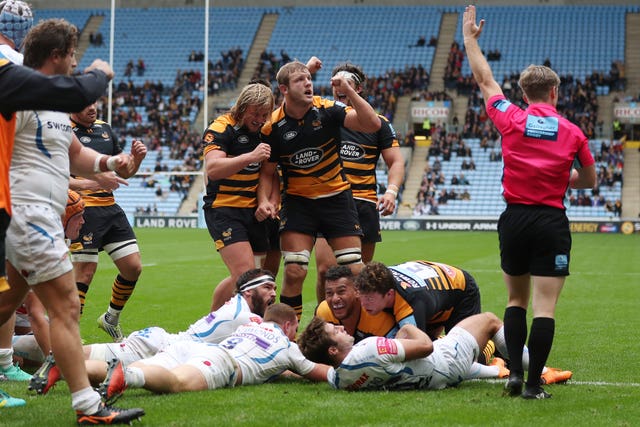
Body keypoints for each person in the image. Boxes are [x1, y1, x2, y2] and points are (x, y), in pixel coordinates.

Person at [0, 18, 145, 422]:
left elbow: (75, 153)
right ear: (57, 55)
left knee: (6, 304)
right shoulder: (21, 93)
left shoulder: (56, 107)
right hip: (27, 213)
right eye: (72, 54)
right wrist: (98, 73)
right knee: (66, 305)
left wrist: (110, 162)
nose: (75, 61)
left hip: (38, 215)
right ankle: (88, 406)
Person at [463, 5, 596, 399]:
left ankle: (515, 378)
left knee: (515, 301)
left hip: (515, 219)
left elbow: (485, 80)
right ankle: (534, 384)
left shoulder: (510, 117)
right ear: (555, 92)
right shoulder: (573, 132)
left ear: (523, 93)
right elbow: (589, 180)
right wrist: (562, 178)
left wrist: (470, 39)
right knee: (545, 308)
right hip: (551, 221)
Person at [256, 59, 381, 320]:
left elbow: (372, 124)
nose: (308, 84)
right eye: (300, 80)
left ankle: (357, 332)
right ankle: (287, 338)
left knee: (354, 271)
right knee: (294, 270)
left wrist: (351, 92)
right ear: (284, 89)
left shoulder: (328, 109)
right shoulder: (273, 126)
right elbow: (268, 172)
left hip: (337, 199)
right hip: (299, 203)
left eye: (309, 79)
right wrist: (264, 200)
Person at [30, 268, 277, 394]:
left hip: (158, 338)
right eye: (267, 287)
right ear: (248, 291)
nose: (274, 294)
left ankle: (56, 364)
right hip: (168, 347)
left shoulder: (234, 306)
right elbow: (269, 345)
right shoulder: (247, 317)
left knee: (95, 355)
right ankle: (57, 366)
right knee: (126, 373)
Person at [355, 261, 571, 385]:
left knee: (460, 354)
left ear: (389, 294)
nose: (364, 304)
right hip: (438, 290)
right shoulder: (381, 280)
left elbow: (418, 353)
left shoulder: (411, 303)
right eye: (361, 296)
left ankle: (497, 352)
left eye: (370, 298)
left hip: (461, 292)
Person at [97, 304, 329, 402]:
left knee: (138, 367)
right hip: (220, 362)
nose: (294, 335)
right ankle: (127, 378)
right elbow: (320, 373)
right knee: (177, 383)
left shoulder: (247, 326)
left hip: (194, 348)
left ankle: (65, 368)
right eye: (295, 329)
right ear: (288, 325)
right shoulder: (287, 347)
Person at [313, 62, 405, 303]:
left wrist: (392, 192)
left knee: (357, 276)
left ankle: (356, 327)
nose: (339, 87)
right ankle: (325, 324)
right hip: (330, 201)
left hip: (363, 203)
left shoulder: (379, 123)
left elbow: (396, 161)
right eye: (336, 83)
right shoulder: (322, 118)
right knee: (325, 271)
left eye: (347, 83)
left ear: (359, 88)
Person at [69, 101, 147, 343]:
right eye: (85, 103)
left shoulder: (105, 128)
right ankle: (69, 335)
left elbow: (123, 173)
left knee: (133, 267)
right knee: (85, 272)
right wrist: (92, 184)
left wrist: (136, 160)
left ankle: (111, 318)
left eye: (94, 102)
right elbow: (56, 177)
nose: (92, 107)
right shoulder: (63, 131)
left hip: (109, 208)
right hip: (81, 210)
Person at [202, 81, 275, 310]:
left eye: (265, 114)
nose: (260, 119)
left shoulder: (266, 130)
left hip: (253, 212)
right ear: (242, 107)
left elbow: (269, 173)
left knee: (251, 277)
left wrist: (267, 202)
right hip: (224, 208)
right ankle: (212, 324)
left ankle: (214, 321)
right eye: (255, 113)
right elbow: (213, 169)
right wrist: (250, 157)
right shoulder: (221, 127)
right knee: (246, 275)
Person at [298, 312, 509, 391]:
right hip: (445, 360)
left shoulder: (339, 380)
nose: (341, 327)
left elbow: (315, 371)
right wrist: (406, 328)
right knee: (489, 320)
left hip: (434, 379)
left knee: (487, 368)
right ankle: (531, 367)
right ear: (333, 350)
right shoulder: (370, 349)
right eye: (335, 330)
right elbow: (426, 346)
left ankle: (499, 371)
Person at [12, 190, 86, 368]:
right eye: (79, 216)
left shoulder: (51, 238)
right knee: (53, 344)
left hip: (16, 315)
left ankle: (11, 353)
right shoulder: (39, 243)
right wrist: (57, 365)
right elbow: (34, 312)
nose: (83, 222)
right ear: (63, 218)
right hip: (15, 314)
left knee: (59, 338)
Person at [315, 265, 397, 342]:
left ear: (357, 291)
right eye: (329, 293)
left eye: (341, 291)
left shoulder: (379, 318)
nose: (335, 299)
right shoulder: (323, 313)